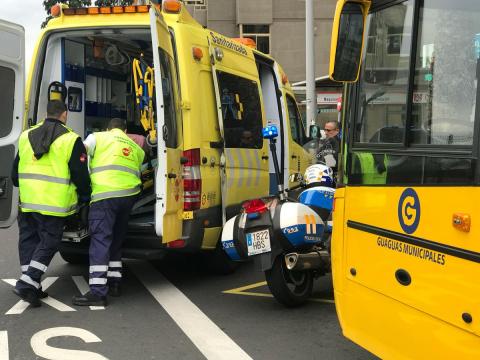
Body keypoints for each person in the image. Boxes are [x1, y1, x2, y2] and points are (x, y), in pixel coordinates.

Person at [11, 100, 91, 307]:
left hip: (27, 201)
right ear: (64, 114)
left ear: (48, 112)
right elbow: (80, 174)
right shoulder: (71, 139)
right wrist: (85, 196)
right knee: (49, 242)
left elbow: (14, 173)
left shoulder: (25, 136)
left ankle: (32, 286)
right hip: (53, 203)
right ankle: (28, 282)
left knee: (28, 240)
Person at [72, 118, 145, 306]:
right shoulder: (135, 146)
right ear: (125, 130)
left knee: (100, 240)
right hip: (128, 196)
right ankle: (114, 283)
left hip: (105, 195)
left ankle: (98, 292)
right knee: (116, 240)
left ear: (108, 128)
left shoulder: (98, 137)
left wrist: (82, 181)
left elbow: (81, 151)